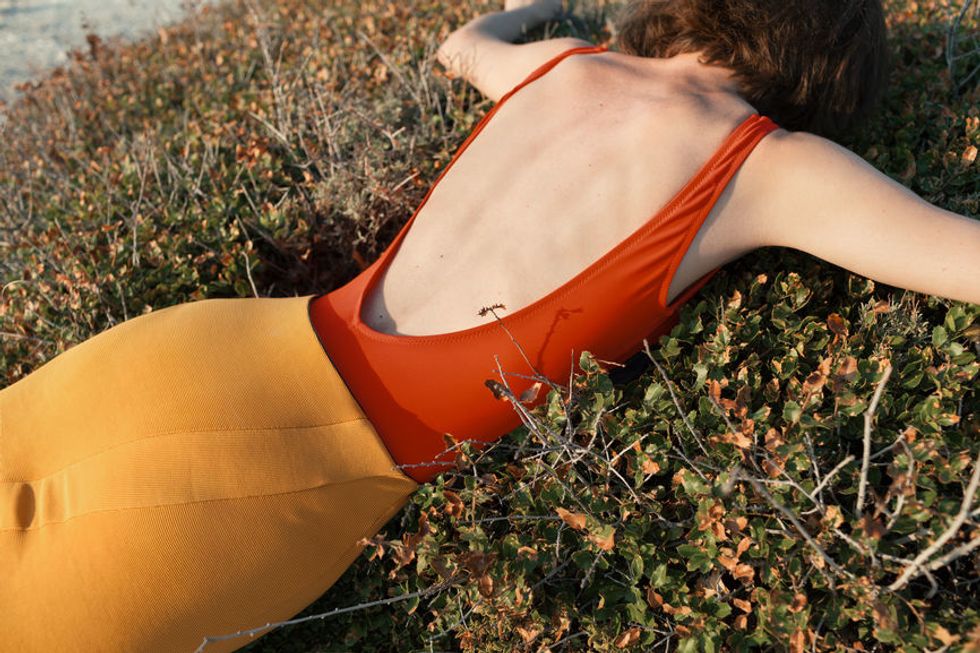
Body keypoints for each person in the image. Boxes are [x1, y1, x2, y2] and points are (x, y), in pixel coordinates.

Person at [1, 0, 977, 651]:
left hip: (195, 348)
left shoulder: (564, 62)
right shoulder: (768, 167)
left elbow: (460, 44)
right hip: (270, 478)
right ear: (831, 62)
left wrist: (536, 3)